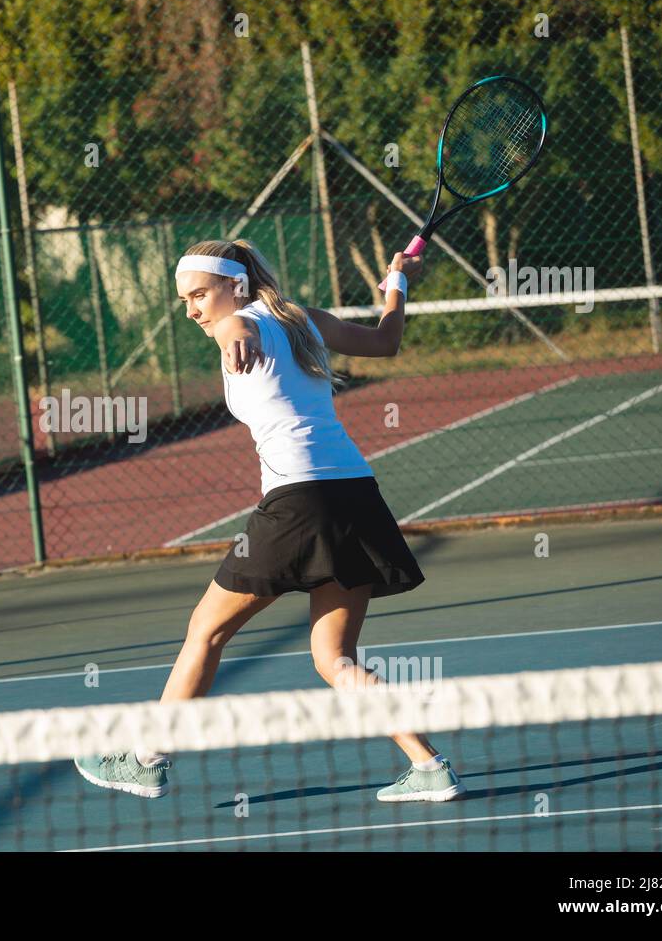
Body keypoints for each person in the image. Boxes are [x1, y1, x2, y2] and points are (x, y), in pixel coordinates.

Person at [74, 239, 464, 803]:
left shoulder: (245, 326)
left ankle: (146, 760)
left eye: (200, 295)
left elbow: (240, 331)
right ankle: (429, 767)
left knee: (206, 632)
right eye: (184, 299)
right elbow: (387, 340)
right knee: (334, 659)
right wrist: (397, 283)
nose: (192, 310)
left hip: (299, 504)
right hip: (356, 494)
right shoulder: (300, 318)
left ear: (234, 286)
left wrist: (238, 339)